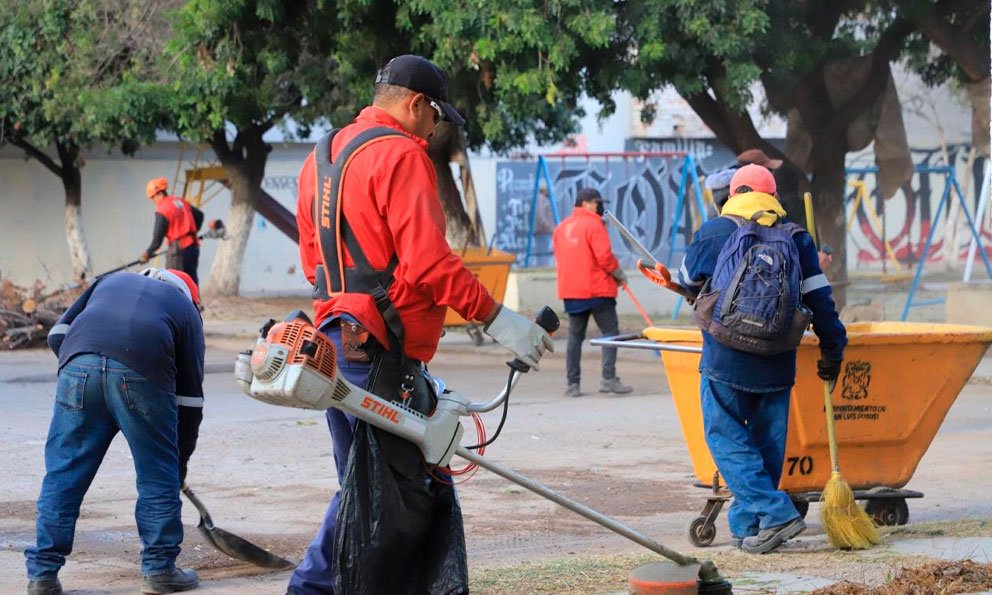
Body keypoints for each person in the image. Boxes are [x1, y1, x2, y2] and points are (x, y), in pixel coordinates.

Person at [291, 54, 554, 594]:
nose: (436, 130)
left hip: (335, 342)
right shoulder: (401, 155)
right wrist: (499, 319)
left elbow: (313, 263)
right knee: (384, 491)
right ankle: (309, 589)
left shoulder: (319, 159)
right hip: (380, 353)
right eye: (437, 117)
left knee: (374, 486)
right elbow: (430, 263)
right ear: (416, 105)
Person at [676, 165, 846, 554]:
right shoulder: (797, 238)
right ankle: (749, 525)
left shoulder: (716, 231)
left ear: (734, 194)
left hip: (726, 359)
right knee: (768, 443)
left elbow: (686, 279)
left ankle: (776, 513)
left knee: (725, 438)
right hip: (777, 359)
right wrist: (833, 349)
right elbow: (821, 301)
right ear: (773, 197)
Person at [25, 269, 205, 595]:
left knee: (63, 474)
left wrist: (86, 372)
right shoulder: (186, 310)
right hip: (142, 375)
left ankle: (42, 575)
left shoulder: (111, 281)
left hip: (79, 366)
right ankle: (160, 570)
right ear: (190, 295)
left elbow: (57, 335)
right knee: (156, 476)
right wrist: (176, 464)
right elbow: (190, 402)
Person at [552, 187, 633, 398]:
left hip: (572, 291)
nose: (600, 207)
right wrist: (619, 274)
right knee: (610, 333)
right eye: (597, 203)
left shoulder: (561, 228)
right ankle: (608, 379)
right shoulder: (594, 224)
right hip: (597, 290)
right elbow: (604, 256)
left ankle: (572, 384)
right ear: (586, 203)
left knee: (574, 338)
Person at [141, 178, 204, 285]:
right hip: (194, 246)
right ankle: (195, 301)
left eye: (153, 197)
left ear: (159, 193)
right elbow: (199, 215)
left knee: (173, 281)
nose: (153, 201)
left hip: (179, 250)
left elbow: (157, 239)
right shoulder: (179, 201)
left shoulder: (163, 209)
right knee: (191, 280)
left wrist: (147, 253)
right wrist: (190, 231)